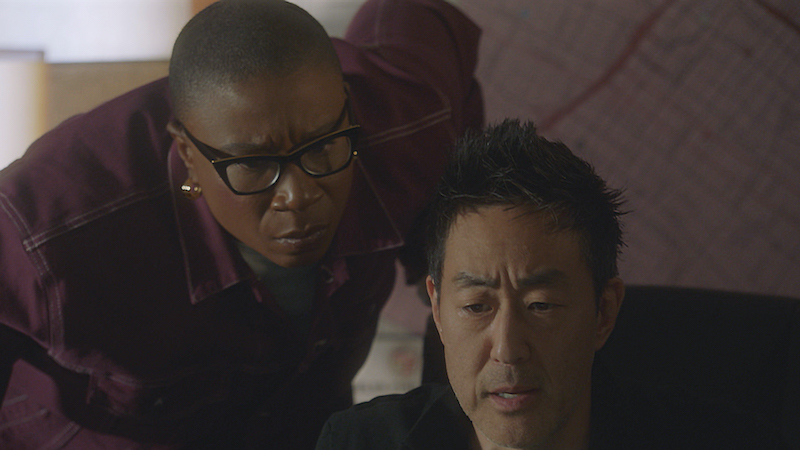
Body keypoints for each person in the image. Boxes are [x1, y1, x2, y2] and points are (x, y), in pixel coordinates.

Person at [0, 0, 482, 448]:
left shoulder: (408, 120)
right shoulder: (49, 233)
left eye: (321, 147)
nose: (298, 196)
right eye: (253, 165)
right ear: (188, 155)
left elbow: (424, 19)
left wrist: (445, 250)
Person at [315, 119, 787, 449]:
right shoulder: (358, 443)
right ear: (437, 309)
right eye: (477, 306)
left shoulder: (732, 441)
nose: (508, 350)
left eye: (540, 305)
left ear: (603, 312)